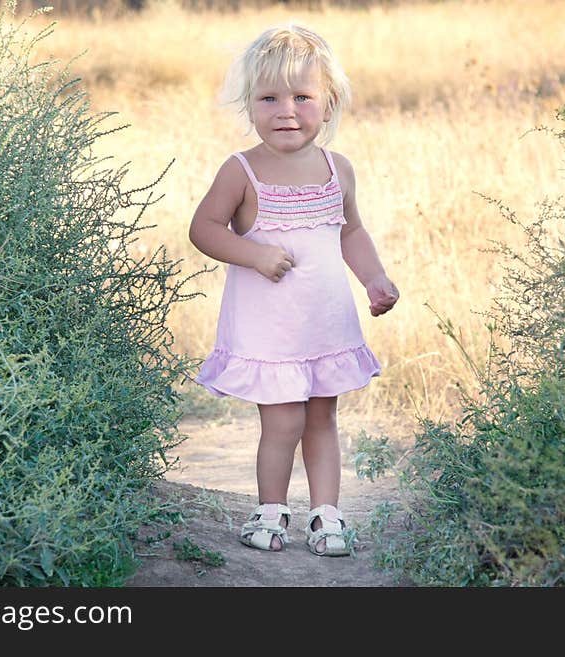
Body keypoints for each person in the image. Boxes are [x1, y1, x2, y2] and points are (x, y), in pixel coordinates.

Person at [188, 24, 398, 556]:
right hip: (271, 328)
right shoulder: (241, 171)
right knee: (283, 422)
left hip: (323, 322)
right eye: (270, 98)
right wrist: (255, 253)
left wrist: (374, 278)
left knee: (323, 418)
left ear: (328, 104)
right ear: (251, 106)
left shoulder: (337, 169)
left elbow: (350, 231)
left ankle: (327, 515)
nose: (286, 110)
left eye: (302, 97)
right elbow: (205, 229)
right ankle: (271, 509)